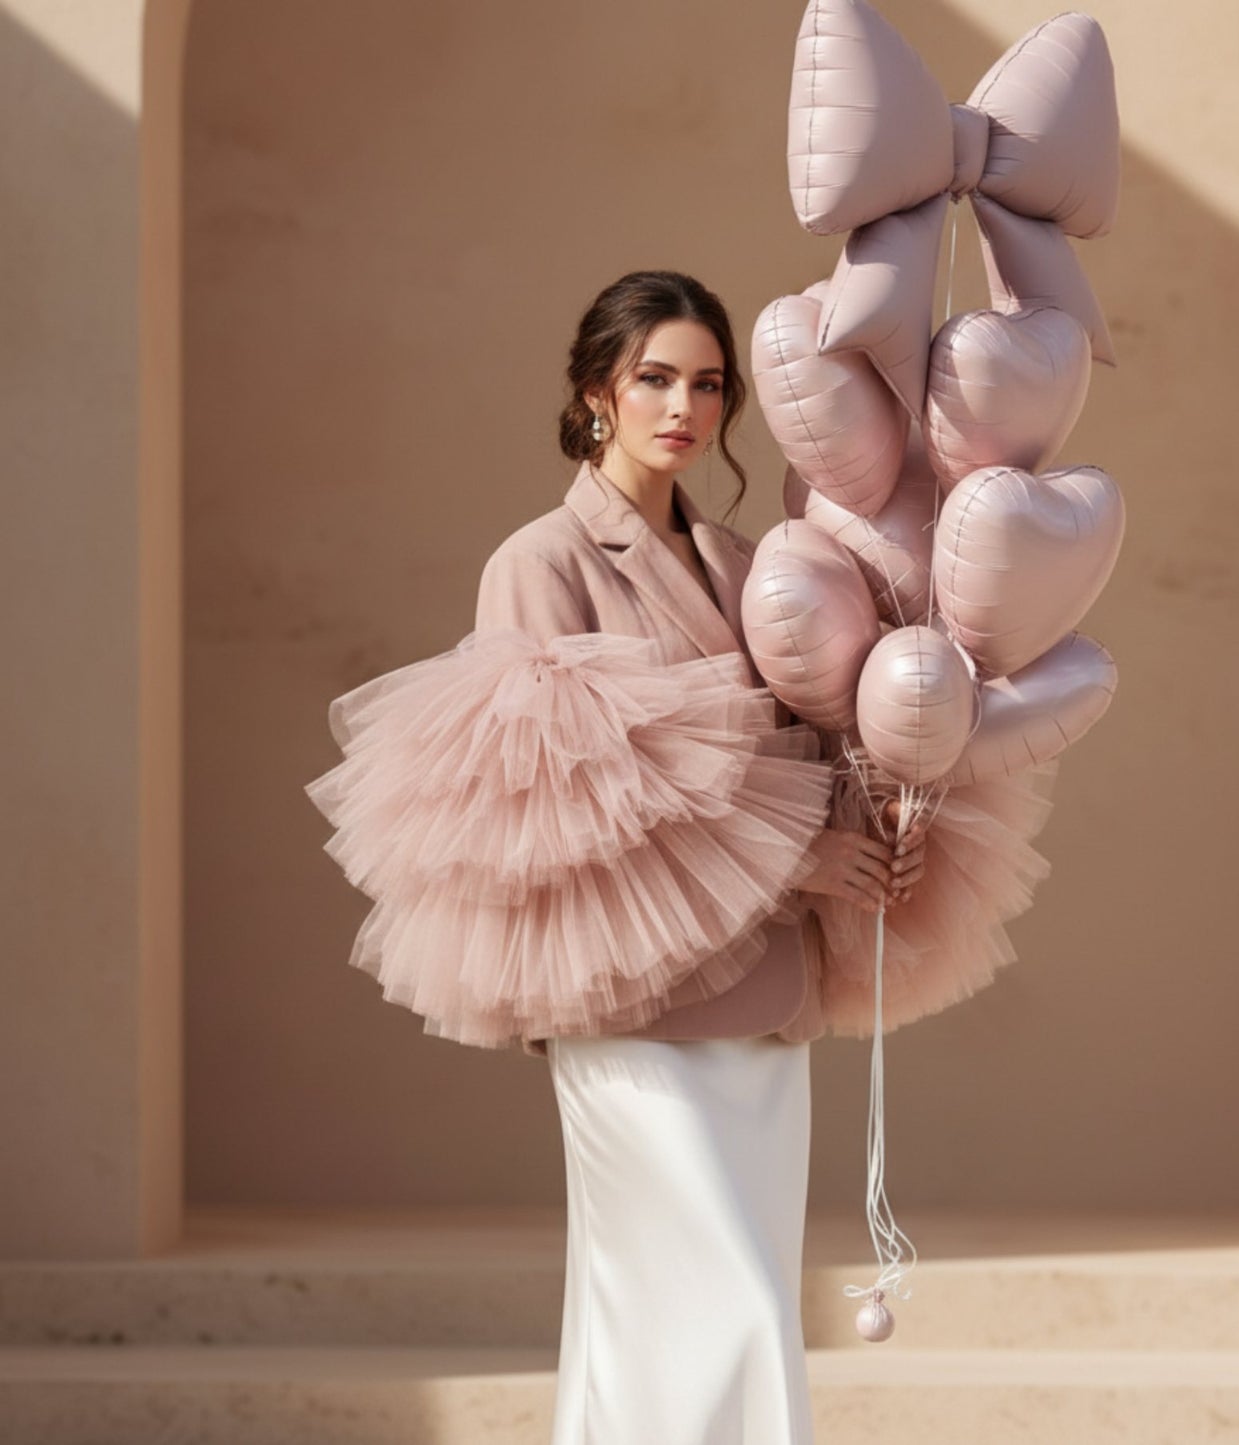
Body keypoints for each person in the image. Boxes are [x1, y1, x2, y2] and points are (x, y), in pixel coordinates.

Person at [304, 270, 928, 1444]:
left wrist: (859, 840)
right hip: (631, 1005)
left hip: (758, 1005)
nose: (680, 405)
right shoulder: (540, 565)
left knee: (666, 1309)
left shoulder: (749, 566)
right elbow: (559, 805)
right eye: (652, 378)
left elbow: (805, 749)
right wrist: (789, 862)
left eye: (705, 383)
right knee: (714, 1301)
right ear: (597, 391)